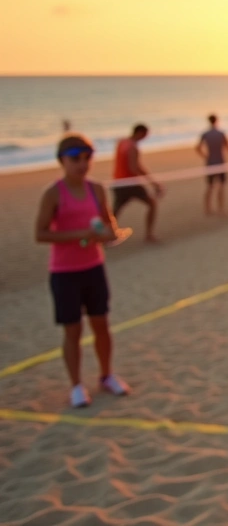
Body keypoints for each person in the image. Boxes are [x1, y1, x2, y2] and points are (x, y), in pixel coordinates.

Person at [35, 134, 129, 408]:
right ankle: (76, 386)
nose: (82, 163)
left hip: (93, 268)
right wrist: (80, 235)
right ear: (62, 160)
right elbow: (40, 234)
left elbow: (111, 226)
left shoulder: (97, 189)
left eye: (87, 157)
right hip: (65, 272)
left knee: (102, 325)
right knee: (72, 330)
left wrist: (106, 235)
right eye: (75, 158)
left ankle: (107, 375)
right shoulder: (53, 193)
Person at [111, 124, 163, 242]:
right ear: (140, 133)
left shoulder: (122, 142)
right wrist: (154, 183)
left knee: (115, 210)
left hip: (118, 182)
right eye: (145, 135)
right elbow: (134, 168)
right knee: (152, 204)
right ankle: (149, 235)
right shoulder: (132, 147)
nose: (145, 137)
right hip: (130, 183)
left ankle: (107, 234)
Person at [195, 114, 228, 216]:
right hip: (220, 162)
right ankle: (220, 208)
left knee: (210, 186)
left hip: (210, 162)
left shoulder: (205, 134)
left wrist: (206, 157)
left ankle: (208, 209)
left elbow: (198, 148)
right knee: (221, 186)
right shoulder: (221, 133)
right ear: (217, 121)